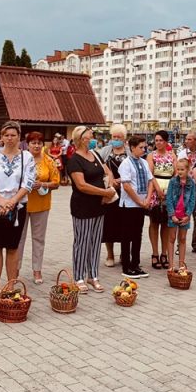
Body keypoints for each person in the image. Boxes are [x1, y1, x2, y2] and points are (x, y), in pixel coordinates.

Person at [0, 121, 36, 307]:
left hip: (18, 207)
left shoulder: (27, 157)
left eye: (13, 135)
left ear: (19, 137)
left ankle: (10, 287)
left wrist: (12, 202)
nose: (10, 138)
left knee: (13, 248)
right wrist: (1, 201)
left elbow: (28, 183)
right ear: (1, 136)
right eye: (6, 135)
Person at [67, 126, 115, 292]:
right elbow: (81, 185)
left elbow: (107, 171)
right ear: (81, 139)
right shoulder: (74, 160)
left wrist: (110, 186)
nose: (93, 139)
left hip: (99, 205)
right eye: (90, 137)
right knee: (82, 242)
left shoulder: (95, 154)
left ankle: (93, 275)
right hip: (83, 206)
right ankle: (79, 276)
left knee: (95, 242)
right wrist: (104, 192)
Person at [17, 132, 60, 285]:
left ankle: (37, 270)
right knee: (19, 238)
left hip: (41, 204)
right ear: (27, 145)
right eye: (33, 143)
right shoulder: (21, 159)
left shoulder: (49, 161)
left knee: (38, 239)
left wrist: (43, 184)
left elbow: (56, 182)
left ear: (43, 145)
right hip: (21, 204)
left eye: (39, 143)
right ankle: (15, 269)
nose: (36, 146)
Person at [118, 135, 154, 279]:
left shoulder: (144, 163)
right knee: (127, 236)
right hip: (129, 205)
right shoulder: (125, 163)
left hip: (142, 203)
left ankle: (136, 264)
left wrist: (148, 198)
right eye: (141, 147)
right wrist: (139, 201)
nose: (143, 149)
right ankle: (126, 266)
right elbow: (126, 185)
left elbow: (151, 181)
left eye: (144, 147)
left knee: (137, 235)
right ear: (132, 148)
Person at [99, 124, 128, 267]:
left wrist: (122, 181)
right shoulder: (104, 151)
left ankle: (124, 253)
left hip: (126, 192)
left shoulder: (129, 152)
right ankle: (110, 254)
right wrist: (111, 181)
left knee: (125, 224)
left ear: (124, 138)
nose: (115, 139)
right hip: (110, 192)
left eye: (119, 137)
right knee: (109, 224)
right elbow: (99, 169)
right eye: (113, 137)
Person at [146, 130, 174, 270]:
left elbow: (175, 174)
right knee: (154, 222)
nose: (158, 143)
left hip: (169, 191)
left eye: (161, 140)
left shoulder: (172, 156)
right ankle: (155, 253)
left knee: (166, 224)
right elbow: (150, 174)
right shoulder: (151, 156)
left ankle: (164, 253)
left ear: (166, 142)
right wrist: (157, 189)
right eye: (156, 140)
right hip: (155, 190)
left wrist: (171, 191)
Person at [165, 159, 195, 272]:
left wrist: (188, 215)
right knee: (171, 238)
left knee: (182, 239)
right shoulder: (173, 181)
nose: (180, 171)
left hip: (184, 215)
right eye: (178, 169)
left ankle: (182, 264)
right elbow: (168, 199)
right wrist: (171, 214)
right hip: (174, 215)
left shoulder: (191, 183)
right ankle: (171, 264)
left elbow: (192, 199)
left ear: (187, 170)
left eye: (182, 169)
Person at [178, 131, 196, 253]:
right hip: (186, 187)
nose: (186, 141)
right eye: (186, 139)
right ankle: (180, 244)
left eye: (189, 139)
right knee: (182, 215)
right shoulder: (182, 153)